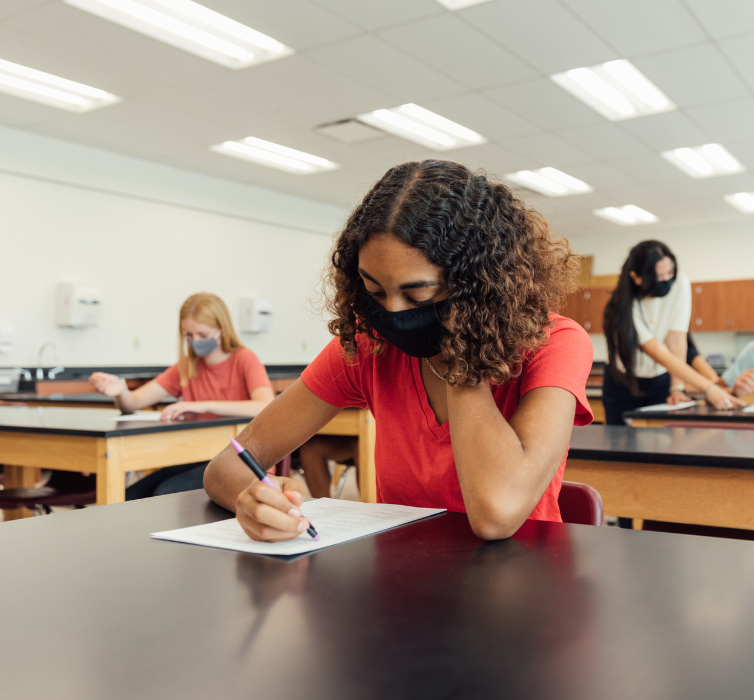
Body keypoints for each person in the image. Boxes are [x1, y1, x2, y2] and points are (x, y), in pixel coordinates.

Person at [203, 160, 594, 542]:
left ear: (477, 288)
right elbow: (228, 465)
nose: (391, 312)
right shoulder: (369, 346)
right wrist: (253, 499)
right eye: (374, 291)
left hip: (522, 586)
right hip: (401, 581)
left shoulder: (556, 344)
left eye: (417, 293)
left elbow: (497, 514)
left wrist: (461, 350)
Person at [89, 292, 274, 499]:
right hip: (198, 455)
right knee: (132, 496)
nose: (195, 341)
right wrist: (121, 390)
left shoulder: (244, 359)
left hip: (242, 460)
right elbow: (133, 402)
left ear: (221, 329)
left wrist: (204, 405)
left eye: (202, 335)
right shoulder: (187, 366)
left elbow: (265, 405)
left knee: (166, 494)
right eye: (189, 335)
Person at [601, 241, 739, 425]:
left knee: (661, 439)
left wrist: (677, 387)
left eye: (670, 272)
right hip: (623, 380)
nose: (666, 280)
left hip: (660, 378)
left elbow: (676, 340)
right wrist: (709, 389)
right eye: (658, 276)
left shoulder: (680, 283)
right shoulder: (623, 307)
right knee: (620, 442)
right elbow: (659, 352)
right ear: (636, 277)